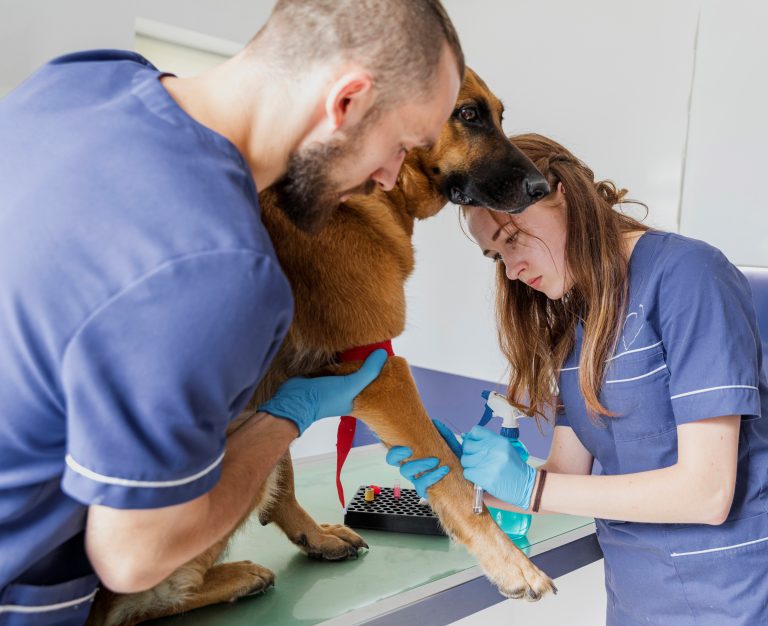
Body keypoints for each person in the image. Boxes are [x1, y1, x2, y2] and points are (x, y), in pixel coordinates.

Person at [0, 1, 464, 622]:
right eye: (400, 145)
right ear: (346, 102)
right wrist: (284, 421)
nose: (389, 177)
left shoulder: (83, 80)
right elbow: (135, 558)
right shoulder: (222, 267)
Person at [389, 133, 768, 624]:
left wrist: (529, 488)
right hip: (636, 596)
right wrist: (466, 479)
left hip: (731, 594)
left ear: (560, 193)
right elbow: (567, 474)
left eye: (513, 237)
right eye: (496, 256)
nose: (513, 268)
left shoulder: (688, 274)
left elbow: (708, 492)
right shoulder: (575, 320)